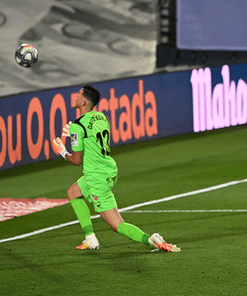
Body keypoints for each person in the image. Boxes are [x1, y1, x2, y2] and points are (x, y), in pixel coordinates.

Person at [52, 85, 180, 252]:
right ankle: (90, 238)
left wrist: (62, 151)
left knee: (117, 225)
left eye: (78, 94)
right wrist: (76, 135)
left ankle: (151, 240)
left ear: (83, 101)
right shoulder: (101, 118)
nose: (75, 97)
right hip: (108, 169)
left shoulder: (78, 126)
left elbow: (77, 160)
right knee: (73, 193)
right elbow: (92, 139)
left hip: (96, 177)